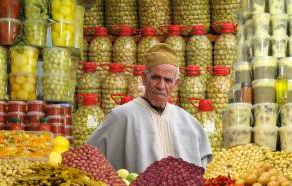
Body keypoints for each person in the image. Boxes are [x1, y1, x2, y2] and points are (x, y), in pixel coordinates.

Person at [87, 43, 212, 173]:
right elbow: (88, 158)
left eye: (168, 80)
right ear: (144, 78)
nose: (161, 85)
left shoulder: (189, 123)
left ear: (176, 84)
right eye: (155, 78)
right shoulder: (121, 116)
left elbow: (205, 169)